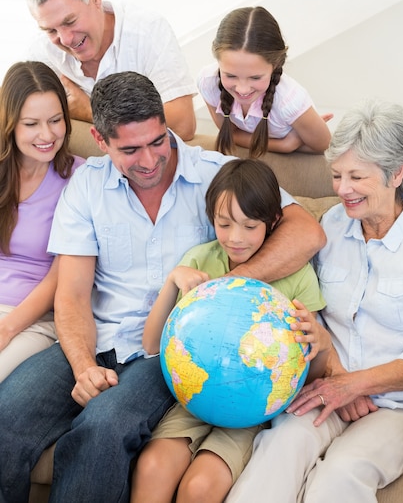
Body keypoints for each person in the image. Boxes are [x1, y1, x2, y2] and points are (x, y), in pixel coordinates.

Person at [0, 71, 325, 503]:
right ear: (99, 139)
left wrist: (223, 288)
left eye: (158, 141)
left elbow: (307, 232)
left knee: (102, 429)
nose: (151, 161)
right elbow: (73, 295)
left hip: (166, 350)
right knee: (6, 419)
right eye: (130, 150)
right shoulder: (87, 187)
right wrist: (83, 366)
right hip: (93, 336)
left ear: (165, 124)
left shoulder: (216, 173)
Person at [226, 99, 403, 503]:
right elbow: (311, 314)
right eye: (336, 175)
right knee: (279, 450)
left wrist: (354, 385)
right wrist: (336, 378)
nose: (341, 189)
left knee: (340, 475)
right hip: (328, 388)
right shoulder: (330, 226)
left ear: (396, 173)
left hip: (400, 408)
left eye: (356, 177)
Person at [131, 158, 331, 503]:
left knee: (200, 487)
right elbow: (152, 344)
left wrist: (321, 345)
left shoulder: (297, 276)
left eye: (250, 226)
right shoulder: (199, 261)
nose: (235, 238)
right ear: (211, 219)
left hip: (251, 411)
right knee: (152, 467)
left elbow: (309, 375)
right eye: (224, 224)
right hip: (194, 398)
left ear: (273, 222)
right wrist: (172, 281)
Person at [25, 0, 197, 140]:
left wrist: (90, 112)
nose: (66, 40)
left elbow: (182, 125)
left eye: (70, 21)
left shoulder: (148, 31)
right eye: (51, 30)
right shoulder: (41, 52)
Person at [0, 60, 84, 383]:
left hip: (34, 320)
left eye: (55, 120)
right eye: (32, 124)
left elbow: (60, 277)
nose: (47, 134)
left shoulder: (77, 178)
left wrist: (7, 328)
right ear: (11, 125)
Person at [197, 6, 332, 156]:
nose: (242, 89)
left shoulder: (290, 101)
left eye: (255, 78)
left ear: (275, 65)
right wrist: (284, 145)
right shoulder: (208, 82)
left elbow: (323, 145)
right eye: (230, 76)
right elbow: (230, 134)